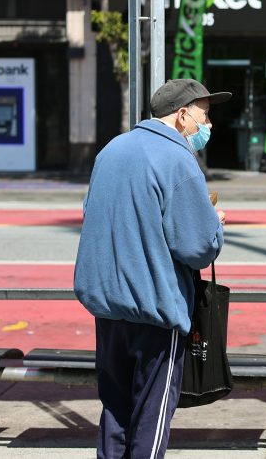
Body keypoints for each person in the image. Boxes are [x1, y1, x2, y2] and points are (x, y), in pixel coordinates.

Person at [74, 78, 230, 457]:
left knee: (115, 408)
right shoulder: (178, 159)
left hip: (108, 304)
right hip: (155, 307)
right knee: (152, 415)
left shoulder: (112, 150)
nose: (207, 125)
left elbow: (93, 213)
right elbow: (197, 248)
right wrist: (216, 224)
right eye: (204, 116)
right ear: (181, 116)